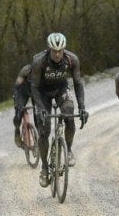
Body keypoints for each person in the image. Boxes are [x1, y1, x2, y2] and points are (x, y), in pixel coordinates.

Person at [30, 32, 88, 188]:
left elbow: (77, 84)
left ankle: (68, 150)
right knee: (44, 130)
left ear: (64, 49)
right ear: (49, 49)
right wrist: (41, 108)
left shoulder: (72, 59)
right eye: (54, 51)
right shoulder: (39, 61)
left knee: (69, 115)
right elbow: (34, 87)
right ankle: (44, 168)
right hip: (42, 93)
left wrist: (82, 107)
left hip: (61, 89)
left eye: (60, 50)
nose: (57, 54)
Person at [12, 62, 33, 148]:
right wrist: (16, 99)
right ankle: (17, 130)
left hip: (34, 92)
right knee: (19, 112)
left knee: (39, 114)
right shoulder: (26, 70)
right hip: (22, 91)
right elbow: (17, 85)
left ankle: (37, 142)